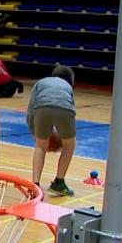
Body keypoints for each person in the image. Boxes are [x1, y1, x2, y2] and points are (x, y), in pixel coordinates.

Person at [26, 66, 77, 196]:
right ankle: (59, 183)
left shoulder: (41, 82)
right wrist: (63, 134)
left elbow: (31, 109)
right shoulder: (68, 86)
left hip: (41, 108)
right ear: (70, 80)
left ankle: (35, 186)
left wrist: (34, 133)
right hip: (65, 109)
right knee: (69, 146)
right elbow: (71, 108)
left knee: (40, 147)